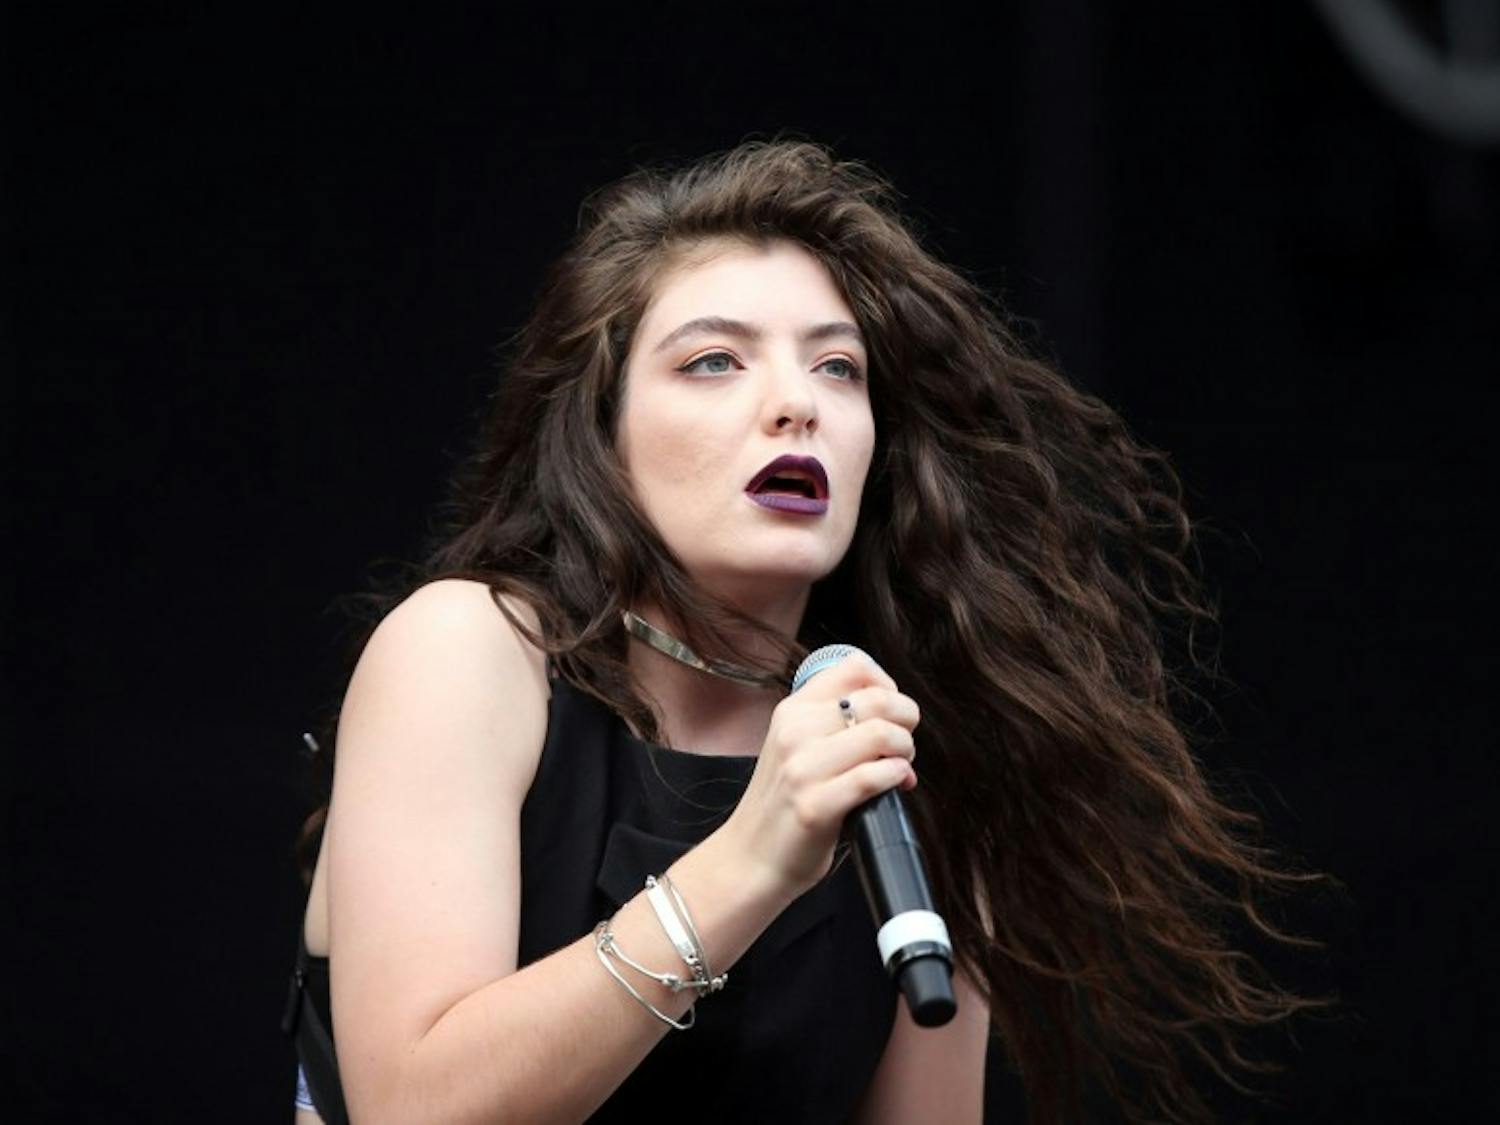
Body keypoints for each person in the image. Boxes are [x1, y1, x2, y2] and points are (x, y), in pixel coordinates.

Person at [282, 140, 1318, 1124]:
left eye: (839, 369)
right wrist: (749, 863)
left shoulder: (900, 746)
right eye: (715, 363)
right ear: (599, 431)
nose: (796, 405)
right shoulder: (471, 652)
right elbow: (413, 1106)